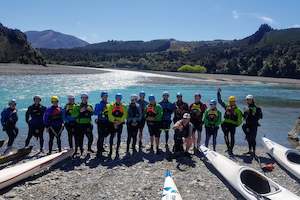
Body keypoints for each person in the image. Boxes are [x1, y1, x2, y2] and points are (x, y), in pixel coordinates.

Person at [217, 88, 243, 155]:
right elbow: (220, 101)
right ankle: (228, 148)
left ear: (234, 101)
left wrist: (236, 125)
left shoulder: (238, 110)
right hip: (225, 124)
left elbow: (240, 119)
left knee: (232, 137)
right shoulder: (226, 106)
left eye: (232, 101)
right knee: (225, 135)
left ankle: (231, 150)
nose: (231, 103)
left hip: (233, 125)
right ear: (229, 101)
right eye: (230, 101)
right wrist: (218, 93)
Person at [107, 93, 127, 158]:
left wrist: (120, 121)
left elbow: (125, 115)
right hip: (112, 123)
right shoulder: (111, 105)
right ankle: (110, 151)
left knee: (119, 137)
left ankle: (117, 151)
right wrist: (114, 121)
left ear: (121, 99)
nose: (118, 99)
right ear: (115, 99)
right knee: (112, 137)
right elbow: (109, 114)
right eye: (117, 98)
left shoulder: (123, 106)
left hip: (120, 123)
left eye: (119, 98)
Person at [94, 91, 110, 158]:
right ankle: (99, 151)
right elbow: (95, 113)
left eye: (106, 96)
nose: (105, 97)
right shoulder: (98, 104)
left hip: (107, 122)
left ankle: (101, 148)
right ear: (101, 97)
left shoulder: (109, 104)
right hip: (100, 122)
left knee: (105, 135)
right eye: (104, 96)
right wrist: (101, 111)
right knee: (100, 136)